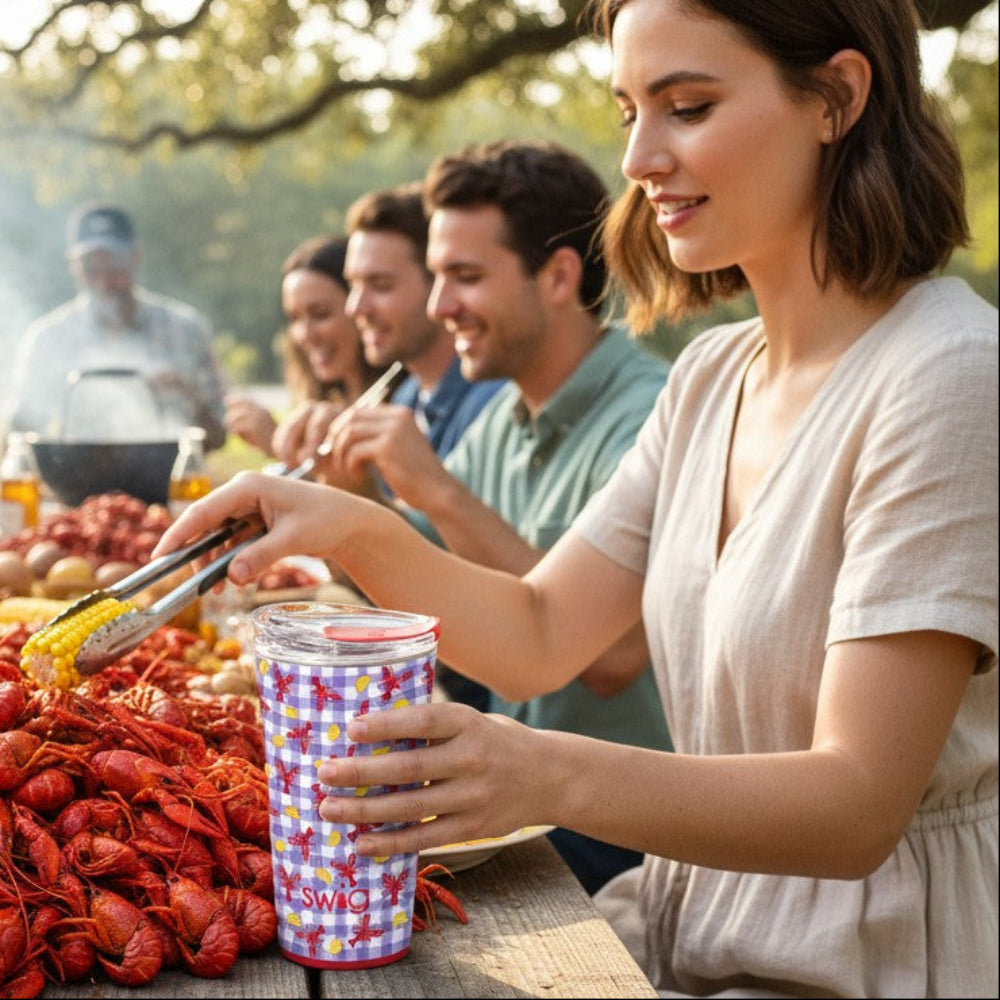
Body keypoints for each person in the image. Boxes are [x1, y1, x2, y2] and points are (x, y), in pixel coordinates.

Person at [155, 0, 998, 995]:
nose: (638, 158)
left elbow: (857, 806)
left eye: (685, 105)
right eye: (628, 109)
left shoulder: (948, 373)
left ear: (837, 98)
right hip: (699, 926)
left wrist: (539, 770)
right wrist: (343, 519)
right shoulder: (712, 377)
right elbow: (542, 626)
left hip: (880, 958)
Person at [316, 139, 673, 893]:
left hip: (619, 840)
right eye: (438, 278)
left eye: (465, 278)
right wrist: (343, 502)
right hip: (513, 808)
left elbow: (610, 659)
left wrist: (438, 490)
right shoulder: (505, 419)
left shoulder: (651, 414)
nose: (441, 309)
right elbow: (430, 600)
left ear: (558, 277)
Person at [271, 183, 504, 473]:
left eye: (380, 286)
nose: (355, 308)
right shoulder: (407, 397)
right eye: (353, 284)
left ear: (438, 282)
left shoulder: (492, 403)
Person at [7, 201, 227, 450]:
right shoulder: (48, 339)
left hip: (169, 484)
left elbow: (219, 436)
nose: (103, 281)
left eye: (115, 265)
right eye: (91, 267)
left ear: (135, 257)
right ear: (73, 265)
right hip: (73, 482)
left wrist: (187, 397)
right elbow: (18, 437)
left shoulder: (185, 330)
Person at [224, 235, 390, 459]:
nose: (305, 335)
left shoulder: (402, 411)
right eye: (294, 318)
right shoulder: (325, 406)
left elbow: (365, 492)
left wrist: (281, 445)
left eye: (321, 314)